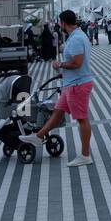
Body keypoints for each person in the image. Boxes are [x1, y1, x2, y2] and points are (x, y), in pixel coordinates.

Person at [20, 10, 94, 167]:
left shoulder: (76, 39)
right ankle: (39, 137)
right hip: (71, 83)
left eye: (60, 23)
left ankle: (85, 155)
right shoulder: (78, 36)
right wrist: (64, 73)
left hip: (78, 85)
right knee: (57, 112)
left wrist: (60, 65)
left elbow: (77, 63)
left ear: (63, 23)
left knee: (82, 119)